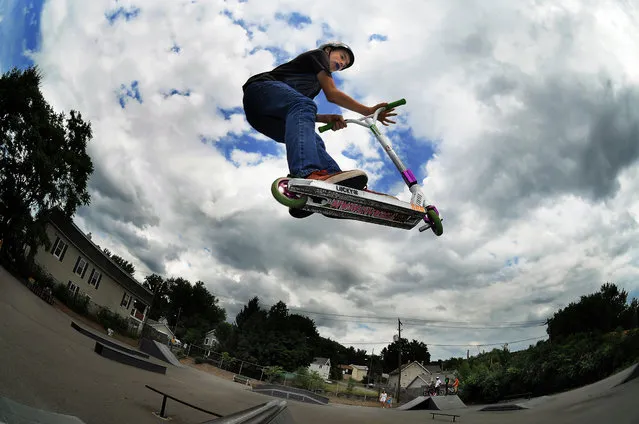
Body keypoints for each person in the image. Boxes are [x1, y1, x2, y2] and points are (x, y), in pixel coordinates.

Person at [242, 41, 398, 218]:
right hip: (260, 90)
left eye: (344, 65)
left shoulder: (312, 84)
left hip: (263, 117)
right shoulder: (318, 56)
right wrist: (368, 111)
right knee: (304, 105)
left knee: (313, 138)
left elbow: (296, 113)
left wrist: (324, 118)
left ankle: (331, 187)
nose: (341, 64)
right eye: (342, 57)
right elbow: (331, 94)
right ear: (329, 50)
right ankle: (307, 173)